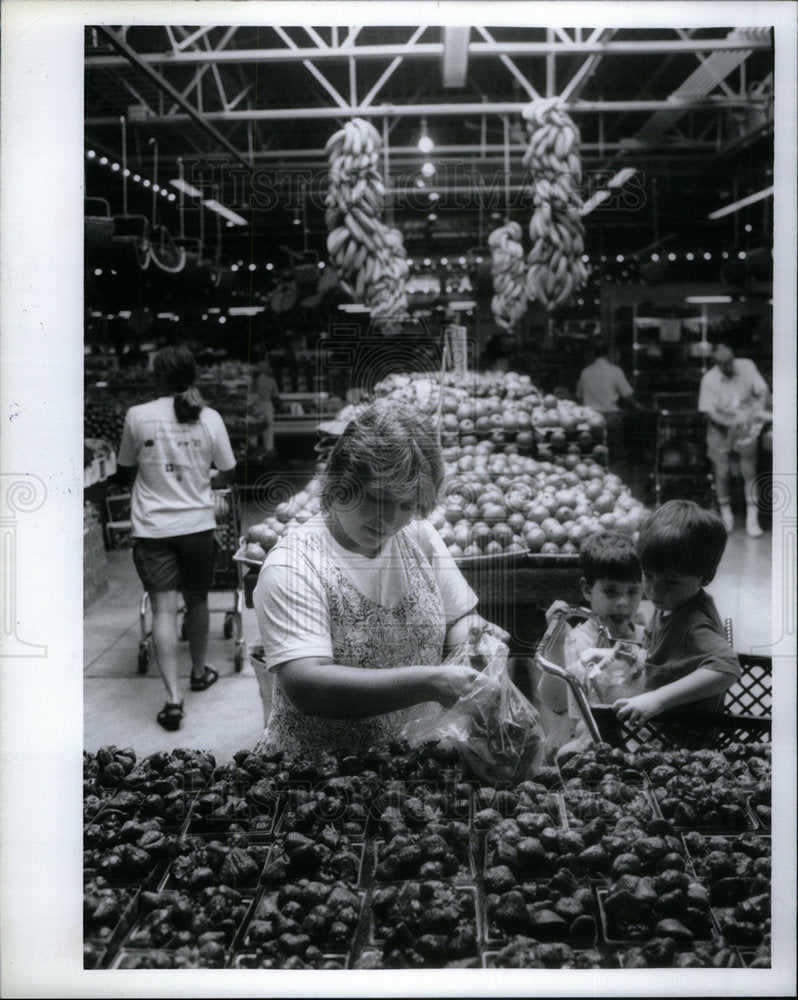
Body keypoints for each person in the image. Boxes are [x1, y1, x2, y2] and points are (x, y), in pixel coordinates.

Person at [252, 398, 508, 756]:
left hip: (411, 760)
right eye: (376, 498)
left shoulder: (418, 537)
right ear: (340, 483)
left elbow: (460, 617)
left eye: (406, 505)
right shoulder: (294, 565)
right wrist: (431, 682)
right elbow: (307, 684)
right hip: (320, 777)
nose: (389, 520)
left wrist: (475, 644)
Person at [117, 346, 237, 731]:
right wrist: (200, 478)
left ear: (157, 377)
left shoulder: (137, 416)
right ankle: (199, 673)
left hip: (152, 530)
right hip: (198, 526)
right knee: (198, 600)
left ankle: (172, 698)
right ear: (193, 376)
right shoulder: (210, 418)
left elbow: (124, 469)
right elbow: (228, 471)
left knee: (163, 609)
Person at [612, 499, 740, 725]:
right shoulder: (672, 603)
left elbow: (727, 668)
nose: (654, 590)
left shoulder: (693, 623)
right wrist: (613, 656)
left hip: (683, 731)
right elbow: (652, 651)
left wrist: (657, 699)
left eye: (671, 581)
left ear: (706, 578)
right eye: (648, 575)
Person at [538, 530, 646, 751]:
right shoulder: (573, 641)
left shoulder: (645, 639)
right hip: (585, 746)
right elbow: (556, 702)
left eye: (633, 592)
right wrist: (556, 642)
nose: (623, 602)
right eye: (611, 592)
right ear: (588, 590)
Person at [698, 342, 771, 537]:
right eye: (723, 363)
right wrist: (731, 424)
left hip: (746, 425)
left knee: (749, 471)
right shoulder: (709, 379)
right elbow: (710, 412)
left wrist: (757, 410)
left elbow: (763, 390)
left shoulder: (747, 365)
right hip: (720, 429)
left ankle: (752, 520)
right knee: (722, 472)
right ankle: (727, 516)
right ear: (716, 362)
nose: (729, 366)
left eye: (730, 361)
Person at [575, 341, 634, 465]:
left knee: (592, 456)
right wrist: (637, 406)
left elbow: (579, 397)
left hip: (589, 419)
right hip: (610, 419)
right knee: (615, 457)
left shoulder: (586, 371)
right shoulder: (615, 371)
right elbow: (627, 395)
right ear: (609, 353)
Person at [249, 354, 280, 458]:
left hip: (254, 405)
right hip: (267, 404)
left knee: (253, 429)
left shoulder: (251, 381)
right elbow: (275, 396)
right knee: (268, 429)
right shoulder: (271, 380)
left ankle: (252, 449)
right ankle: (268, 450)